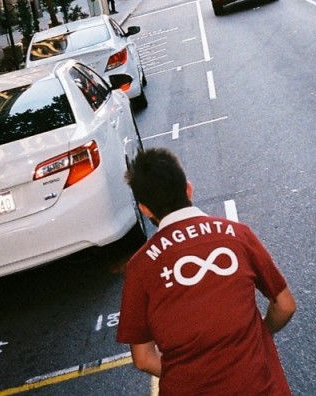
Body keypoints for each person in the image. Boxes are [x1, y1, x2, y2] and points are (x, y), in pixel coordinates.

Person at [117, 148, 296, 395]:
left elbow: (143, 358)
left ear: (145, 209)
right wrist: (262, 334)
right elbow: (285, 305)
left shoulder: (140, 267)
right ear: (188, 189)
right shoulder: (238, 234)